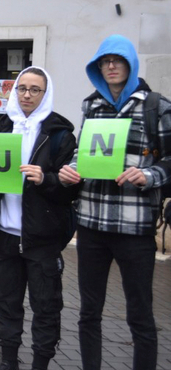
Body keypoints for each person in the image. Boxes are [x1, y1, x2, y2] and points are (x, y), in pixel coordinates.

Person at [58, 34, 170, 370]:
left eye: (117, 60)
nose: (110, 66)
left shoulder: (156, 106)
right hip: (91, 224)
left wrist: (148, 176)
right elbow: (84, 155)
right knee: (88, 311)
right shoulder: (91, 105)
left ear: (130, 64)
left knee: (140, 314)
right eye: (104, 61)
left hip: (134, 228)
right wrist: (70, 171)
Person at [0, 67, 77, 370]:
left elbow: (71, 190)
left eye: (35, 90)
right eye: (22, 89)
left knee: (46, 307)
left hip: (42, 237)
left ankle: (40, 363)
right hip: (5, 233)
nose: (27, 95)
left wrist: (46, 178)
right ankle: (8, 361)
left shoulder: (59, 135)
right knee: (7, 303)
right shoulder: (3, 128)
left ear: (45, 94)